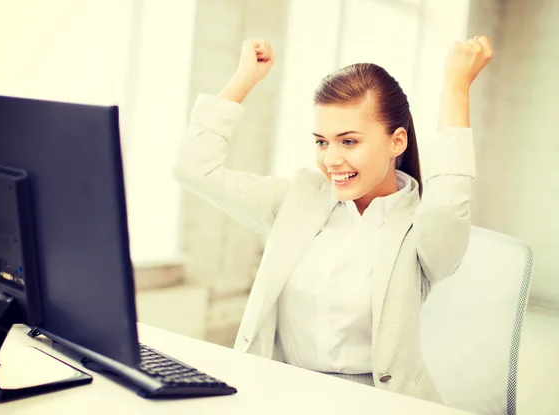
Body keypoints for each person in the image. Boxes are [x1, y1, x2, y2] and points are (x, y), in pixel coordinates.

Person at [173, 36, 493, 403]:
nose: (331, 160)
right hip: (280, 393)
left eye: (349, 142)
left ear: (397, 142)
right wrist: (245, 77)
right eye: (322, 142)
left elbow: (450, 202)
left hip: (374, 402)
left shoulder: (421, 229)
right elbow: (193, 169)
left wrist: (455, 88)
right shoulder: (299, 199)